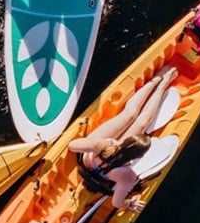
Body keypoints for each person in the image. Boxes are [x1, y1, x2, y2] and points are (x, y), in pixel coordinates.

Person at [69, 66, 178, 213]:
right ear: (138, 157)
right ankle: (160, 85)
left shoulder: (102, 145)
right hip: (104, 160)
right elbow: (117, 202)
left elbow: (72, 146)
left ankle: (157, 81)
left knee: (132, 116)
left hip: (95, 154)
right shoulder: (127, 176)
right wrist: (129, 204)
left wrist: (92, 145)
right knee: (139, 121)